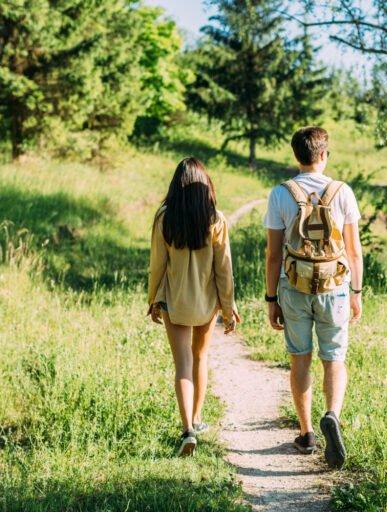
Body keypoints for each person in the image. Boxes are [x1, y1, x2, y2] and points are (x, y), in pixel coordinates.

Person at [263, 126, 363, 468]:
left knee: (299, 358)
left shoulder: (280, 194)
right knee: (334, 356)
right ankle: (332, 414)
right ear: (324, 155)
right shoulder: (343, 192)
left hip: (294, 285)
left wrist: (270, 298)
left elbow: (273, 255)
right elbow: (354, 251)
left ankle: (306, 434)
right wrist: (356, 292)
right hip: (334, 286)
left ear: (297, 156)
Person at [147, 157, 240, 457]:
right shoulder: (216, 219)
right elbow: (224, 269)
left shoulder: (165, 218)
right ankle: (197, 420)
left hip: (175, 301)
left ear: (176, 185)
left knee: (182, 364)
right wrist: (228, 306)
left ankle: (187, 428)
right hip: (207, 302)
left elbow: (156, 265)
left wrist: (152, 300)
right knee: (200, 356)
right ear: (205, 186)